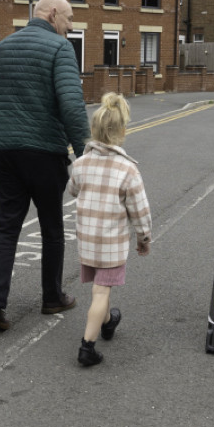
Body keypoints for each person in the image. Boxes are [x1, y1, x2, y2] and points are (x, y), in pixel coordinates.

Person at [0, 0, 91, 331]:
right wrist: (87, 156)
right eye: (69, 19)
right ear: (52, 13)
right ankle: (52, 296)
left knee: (6, 229)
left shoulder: (4, 47)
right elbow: (71, 105)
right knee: (52, 228)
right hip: (43, 152)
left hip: (5, 152)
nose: (70, 28)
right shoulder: (60, 49)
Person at [67, 93, 151, 367]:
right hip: (112, 243)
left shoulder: (79, 164)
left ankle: (108, 321)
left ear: (94, 130)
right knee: (101, 293)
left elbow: (73, 190)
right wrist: (144, 238)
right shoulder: (128, 170)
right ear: (123, 131)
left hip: (88, 241)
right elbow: (140, 211)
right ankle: (87, 348)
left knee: (99, 292)